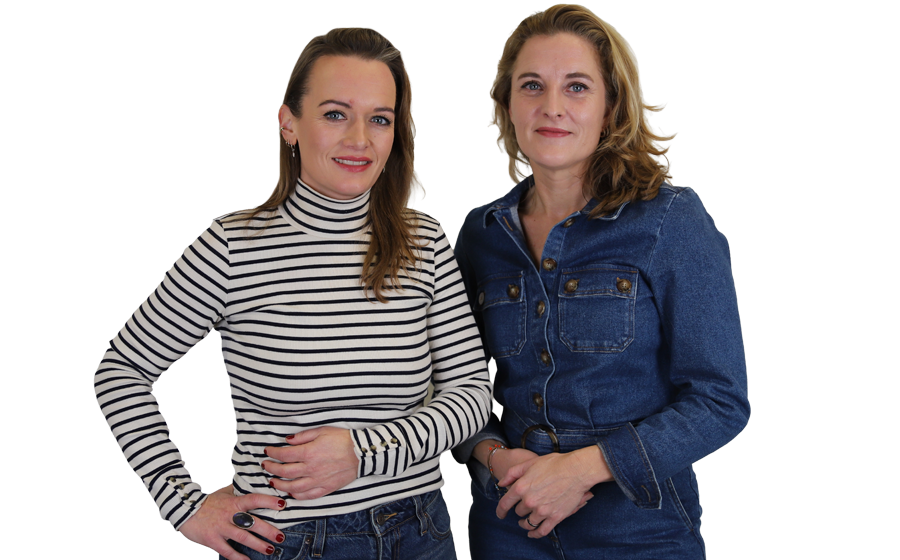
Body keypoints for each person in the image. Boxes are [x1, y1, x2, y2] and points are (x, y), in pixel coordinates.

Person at [94, 27, 491, 560]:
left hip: (420, 532)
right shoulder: (231, 247)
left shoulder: (425, 243)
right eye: (335, 114)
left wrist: (362, 452)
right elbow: (121, 371)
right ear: (289, 124)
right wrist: (184, 506)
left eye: (380, 118)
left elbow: (470, 396)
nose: (360, 138)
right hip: (290, 540)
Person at [451, 5, 750, 559]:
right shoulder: (482, 234)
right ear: (508, 104)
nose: (552, 106)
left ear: (611, 107)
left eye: (577, 87)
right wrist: (493, 455)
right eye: (532, 85)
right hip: (509, 525)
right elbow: (455, 381)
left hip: (641, 534)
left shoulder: (670, 221)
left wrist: (580, 470)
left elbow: (720, 400)